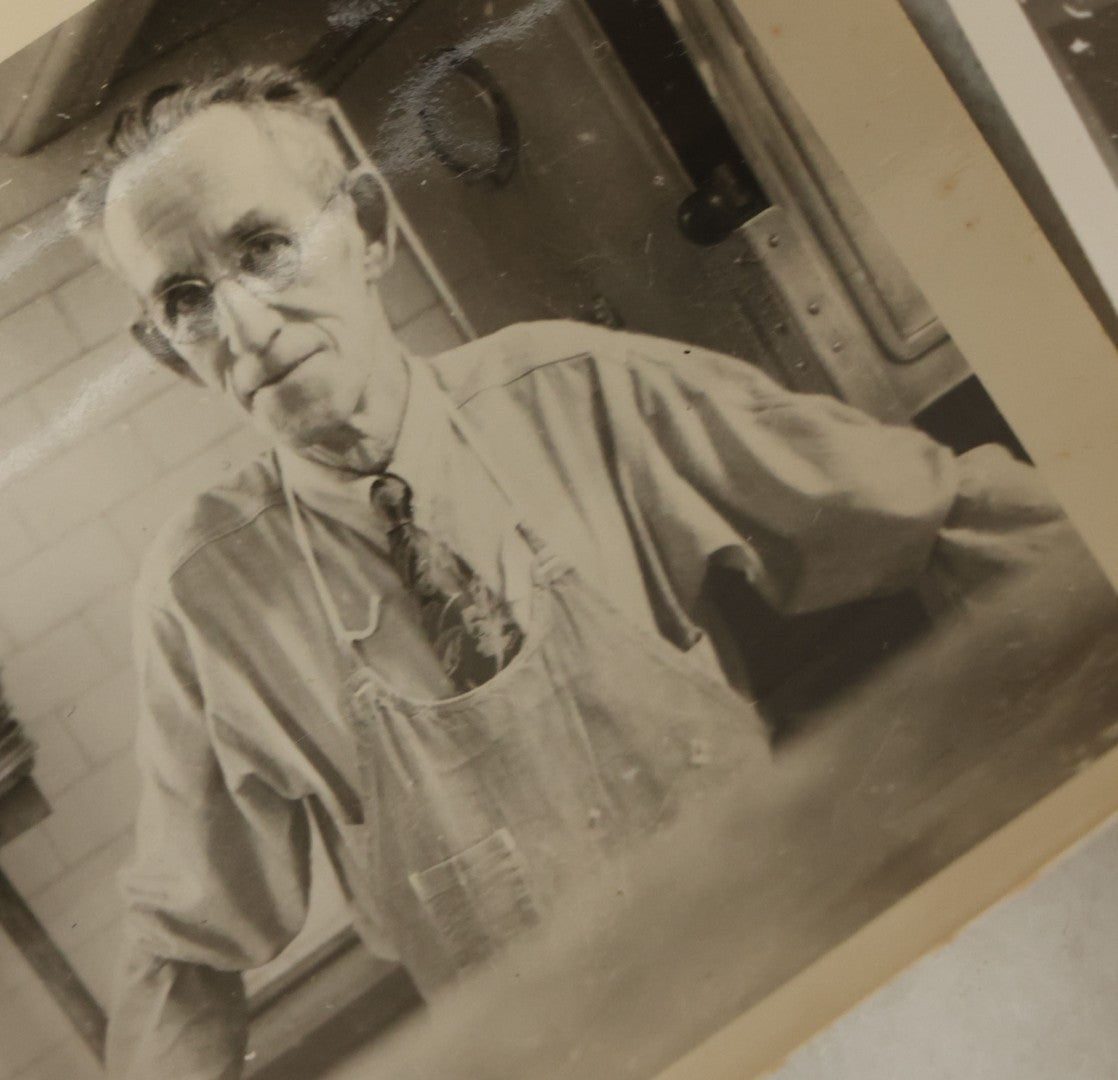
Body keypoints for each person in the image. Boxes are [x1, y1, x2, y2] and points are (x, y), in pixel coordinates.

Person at [70, 64, 1071, 1079]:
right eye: (187, 301)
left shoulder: (583, 392)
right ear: (166, 352)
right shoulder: (205, 599)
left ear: (367, 226)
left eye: (265, 249)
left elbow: (946, 516)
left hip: (802, 981)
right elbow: (180, 955)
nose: (242, 326)